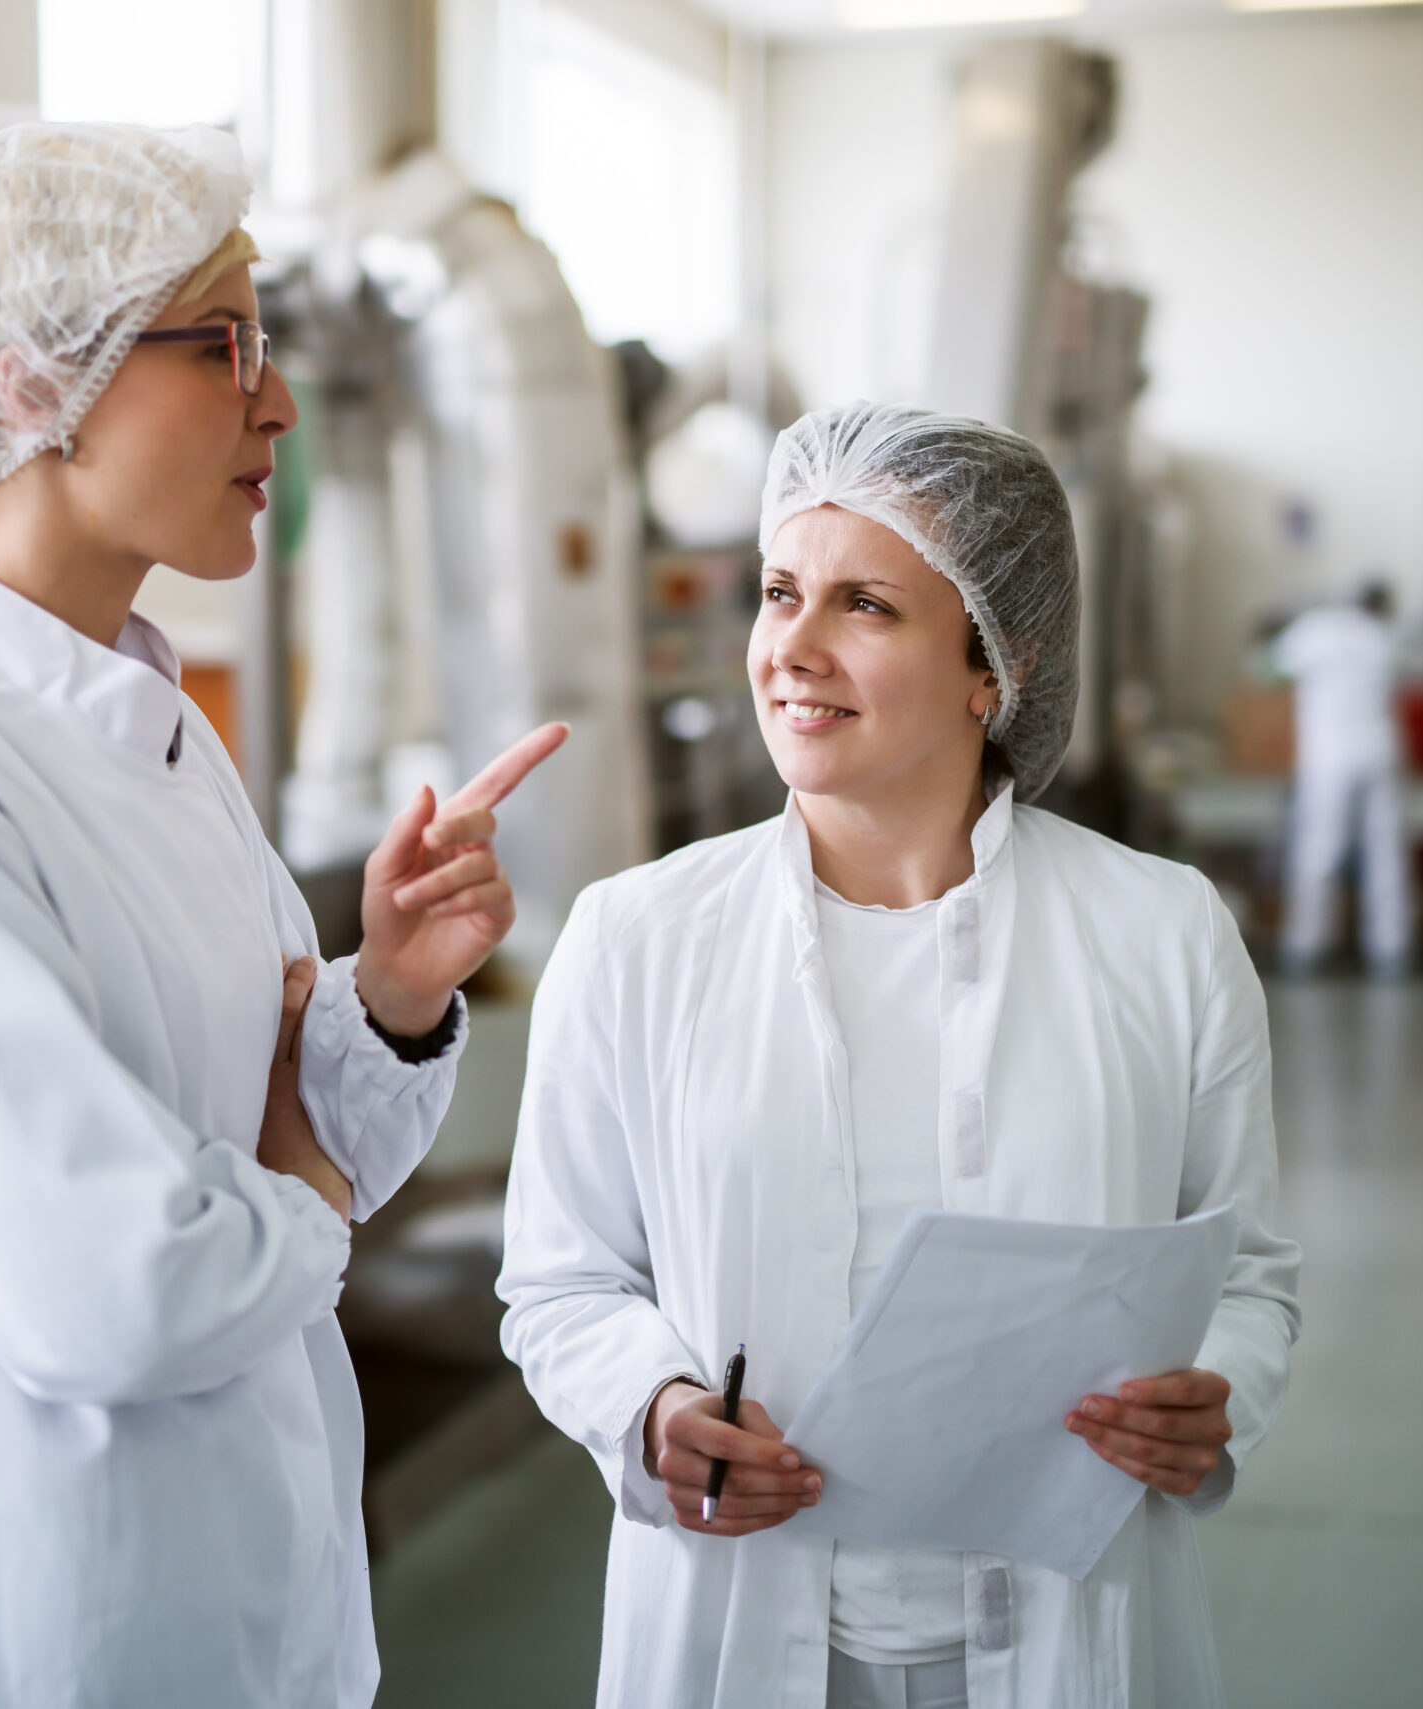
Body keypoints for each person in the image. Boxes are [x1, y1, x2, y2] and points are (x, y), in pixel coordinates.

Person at [0, 122, 564, 1709]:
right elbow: (113, 1287)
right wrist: (292, 1176)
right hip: (7, 1620)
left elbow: (289, 1163)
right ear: (35, 386)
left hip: (221, 1591)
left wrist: (382, 994)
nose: (282, 403)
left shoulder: (155, 731)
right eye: (224, 344)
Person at [498, 403, 1300, 1709]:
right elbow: (562, 1282)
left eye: (865, 604)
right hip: (742, 1620)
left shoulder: (1161, 934)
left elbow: (1245, 1268)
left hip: (1069, 1622)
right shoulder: (636, 939)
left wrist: (1217, 1386)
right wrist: (652, 1409)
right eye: (778, 592)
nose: (790, 649)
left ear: (996, 662)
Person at [1276, 579, 1411, 977]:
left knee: (1320, 847)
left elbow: (1271, 667)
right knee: (1385, 850)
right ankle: (1391, 948)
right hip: (1380, 751)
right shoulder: (1382, 635)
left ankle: (1306, 945)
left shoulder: (1313, 630)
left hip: (1329, 756)